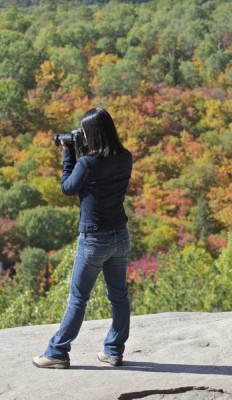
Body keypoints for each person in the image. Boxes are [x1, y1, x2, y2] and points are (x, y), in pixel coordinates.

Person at [33, 107, 132, 369]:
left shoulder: (87, 163)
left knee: (78, 298)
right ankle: (113, 351)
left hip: (94, 240)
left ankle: (57, 352)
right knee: (119, 296)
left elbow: (67, 188)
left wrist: (69, 153)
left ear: (92, 134)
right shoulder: (126, 157)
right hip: (120, 237)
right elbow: (103, 171)